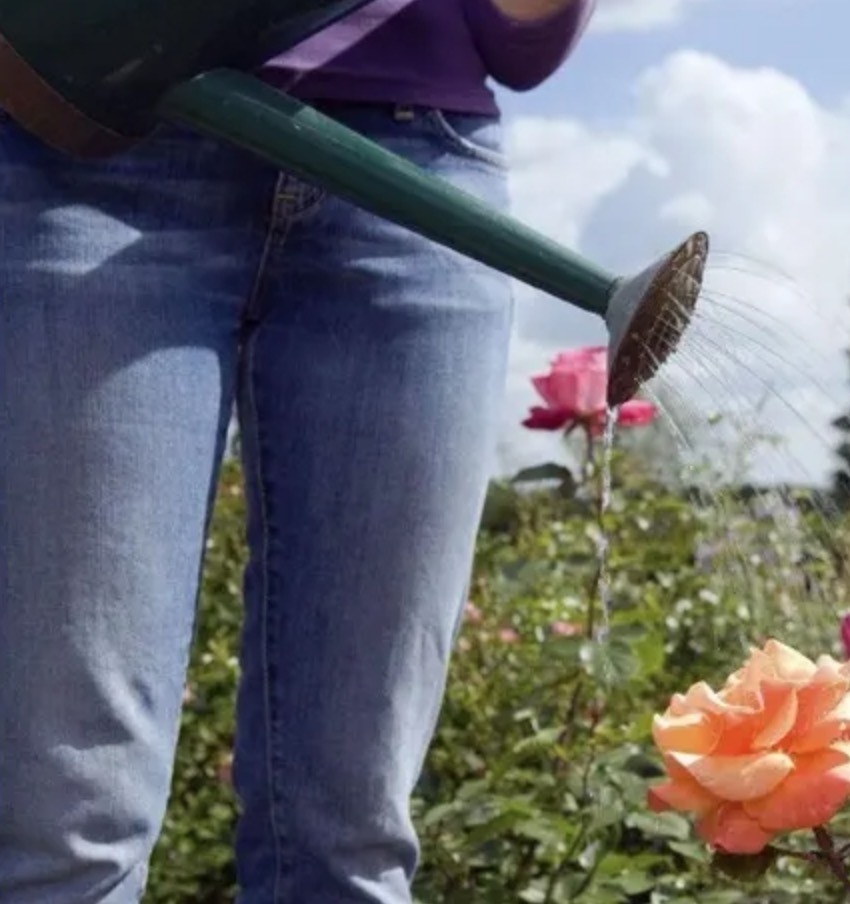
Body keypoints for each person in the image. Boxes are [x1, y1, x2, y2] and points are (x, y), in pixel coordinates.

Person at [0, 0, 593, 901]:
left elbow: (525, 36)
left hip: (413, 178)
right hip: (85, 130)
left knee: (353, 852)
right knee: (71, 836)